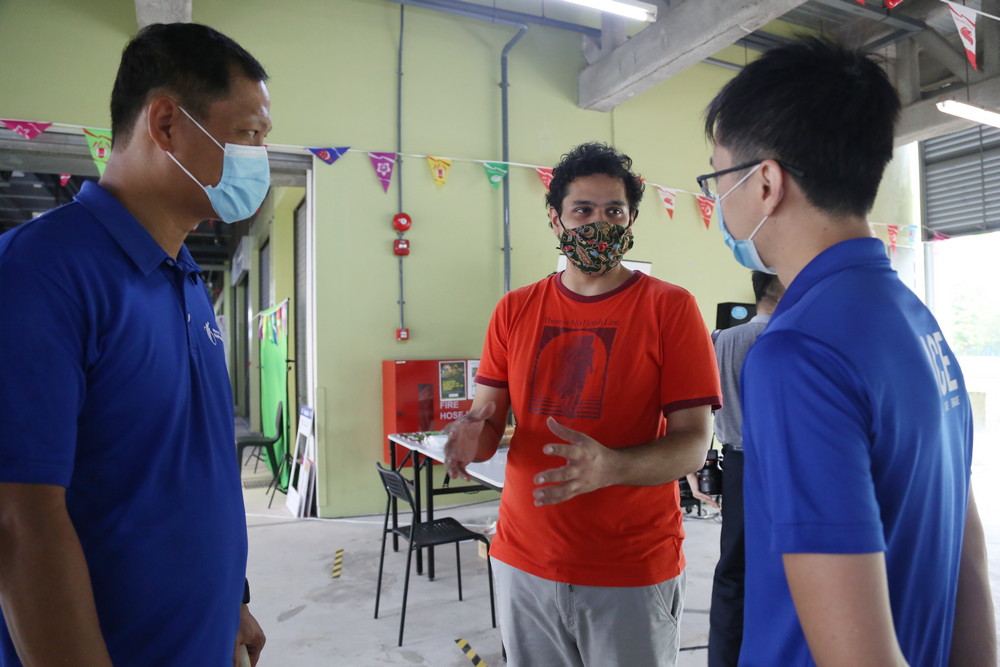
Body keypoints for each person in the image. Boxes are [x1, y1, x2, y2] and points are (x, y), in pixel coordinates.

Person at [700, 37, 996, 666]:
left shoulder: (796, 356)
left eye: (718, 178)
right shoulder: (916, 323)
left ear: (767, 182)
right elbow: (967, 553)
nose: (715, 202)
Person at [0, 23, 270, 666]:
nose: (259, 157)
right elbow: (17, 524)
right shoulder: (39, 274)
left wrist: (229, 599)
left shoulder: (183, 279)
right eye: (250, 135)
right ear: (168, 123)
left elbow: (186, 462)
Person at [445, 142, 721, 667]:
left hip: (630, 569)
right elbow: (487, 420)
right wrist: (469, 433)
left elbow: (693, 446)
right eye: (583, 211)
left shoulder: (670, 307)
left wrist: (613, 465)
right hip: (522, 561)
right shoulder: (515, 309)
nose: (599, 223)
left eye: (613, 211)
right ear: (556, 219)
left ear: (633, 218)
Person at [686, 271, 783, 667]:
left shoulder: (719, 340)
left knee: (733, 570)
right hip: (784, 464)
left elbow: (699, 409)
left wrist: (699, 461)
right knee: (791, 567)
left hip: (738, 464)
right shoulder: (791, 338)